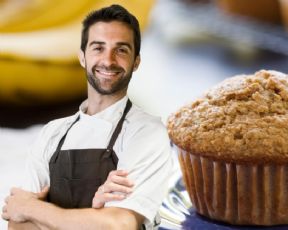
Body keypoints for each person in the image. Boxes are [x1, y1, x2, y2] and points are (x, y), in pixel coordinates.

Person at [1, 4, 172, 230]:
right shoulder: (52, 133)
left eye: (121, 50)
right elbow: (19, 224)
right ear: (82, 57)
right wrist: (92, 215)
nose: (108, 60)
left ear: (136, 62)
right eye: (98, 48)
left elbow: (119, 224)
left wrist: (34, 209)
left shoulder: (148, 133)